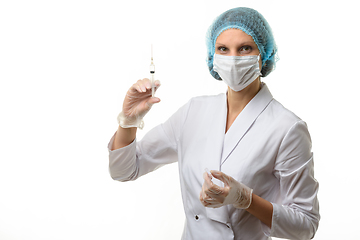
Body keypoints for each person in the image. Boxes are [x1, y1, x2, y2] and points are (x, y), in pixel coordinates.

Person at [108, 7, 320, 240]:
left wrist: (246, 200)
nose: (233, 59)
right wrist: (128, 121)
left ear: (263, 54)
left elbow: (305, 226)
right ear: (213, 56)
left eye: (245, 48)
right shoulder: (193, 111)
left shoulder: (287, 128)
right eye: (223, 49)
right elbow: (124, 170)